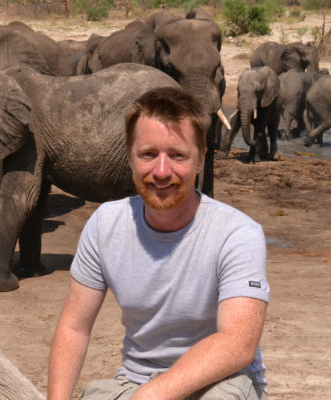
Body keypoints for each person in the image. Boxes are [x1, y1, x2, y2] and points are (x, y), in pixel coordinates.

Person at [47, 87, 270, 400]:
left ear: (200, 159)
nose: (161, 171)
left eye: (177, 155)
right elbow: (74, 328)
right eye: (148, 154)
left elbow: (237, 343)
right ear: (129, 157)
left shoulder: (238, 233)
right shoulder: (105, 224)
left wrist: (153, 395)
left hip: (222, 383)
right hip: (135, 382)